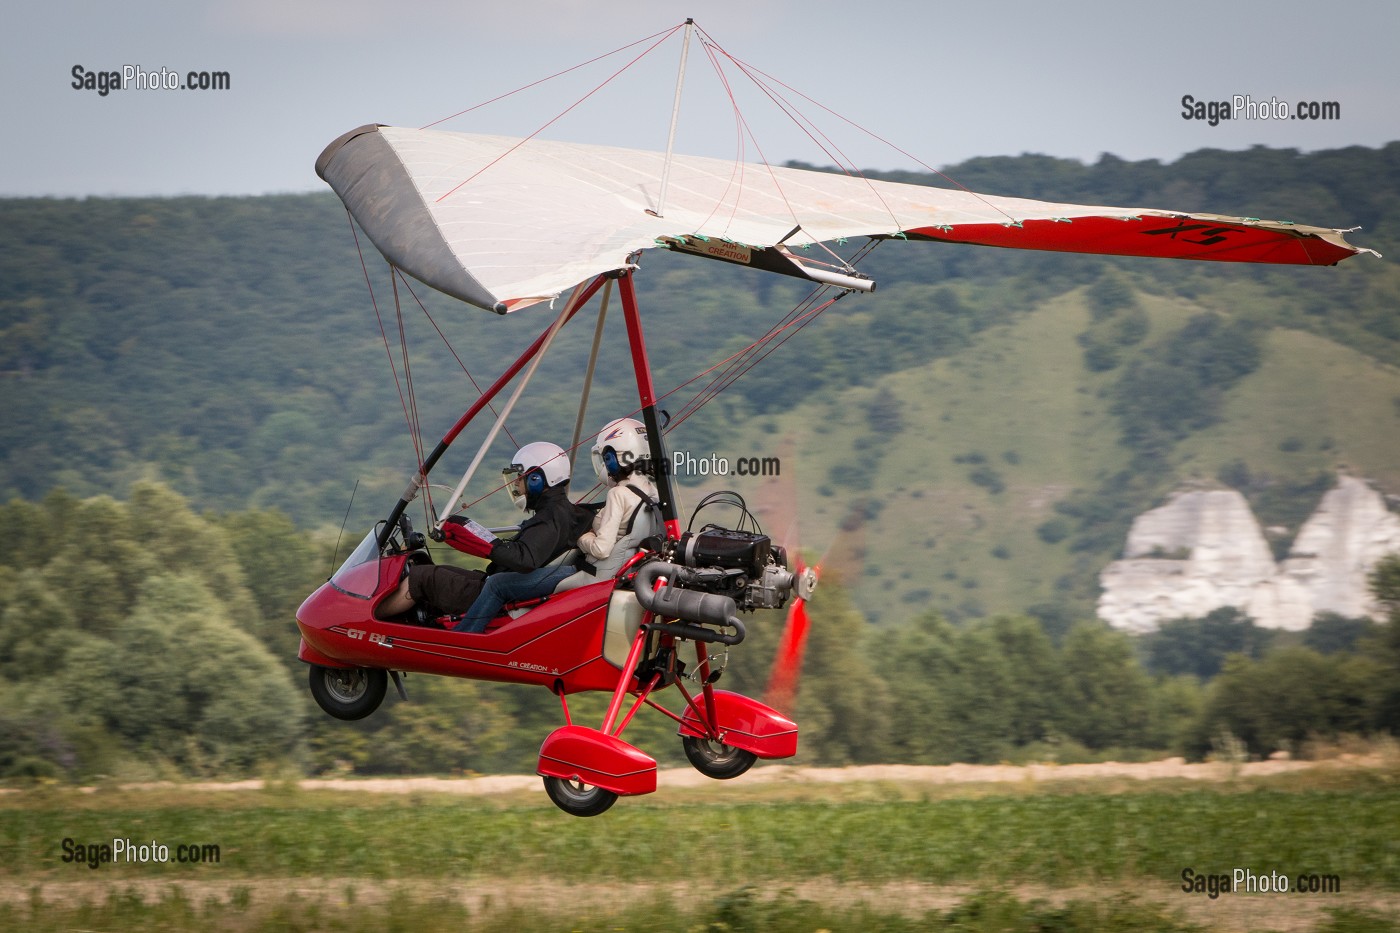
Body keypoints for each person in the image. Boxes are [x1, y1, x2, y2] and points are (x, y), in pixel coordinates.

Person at [376, 441, 591, 632]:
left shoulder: (551, 516)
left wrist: (473, 534)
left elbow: (524, 559)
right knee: (431, 572)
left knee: (420, 577)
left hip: (499, 590)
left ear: (537, 478)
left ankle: (366, 621)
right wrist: (463, 535)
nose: (516, 484)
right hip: (497, 582)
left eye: (520, 477)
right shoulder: (565, 512)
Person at [554, 417, 660, 592]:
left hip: (596, 577)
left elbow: (601, 549)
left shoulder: (618, 494)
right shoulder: (652, 492)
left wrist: (580, 537)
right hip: (624, 572)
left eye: (606, 457)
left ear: (616, 456)